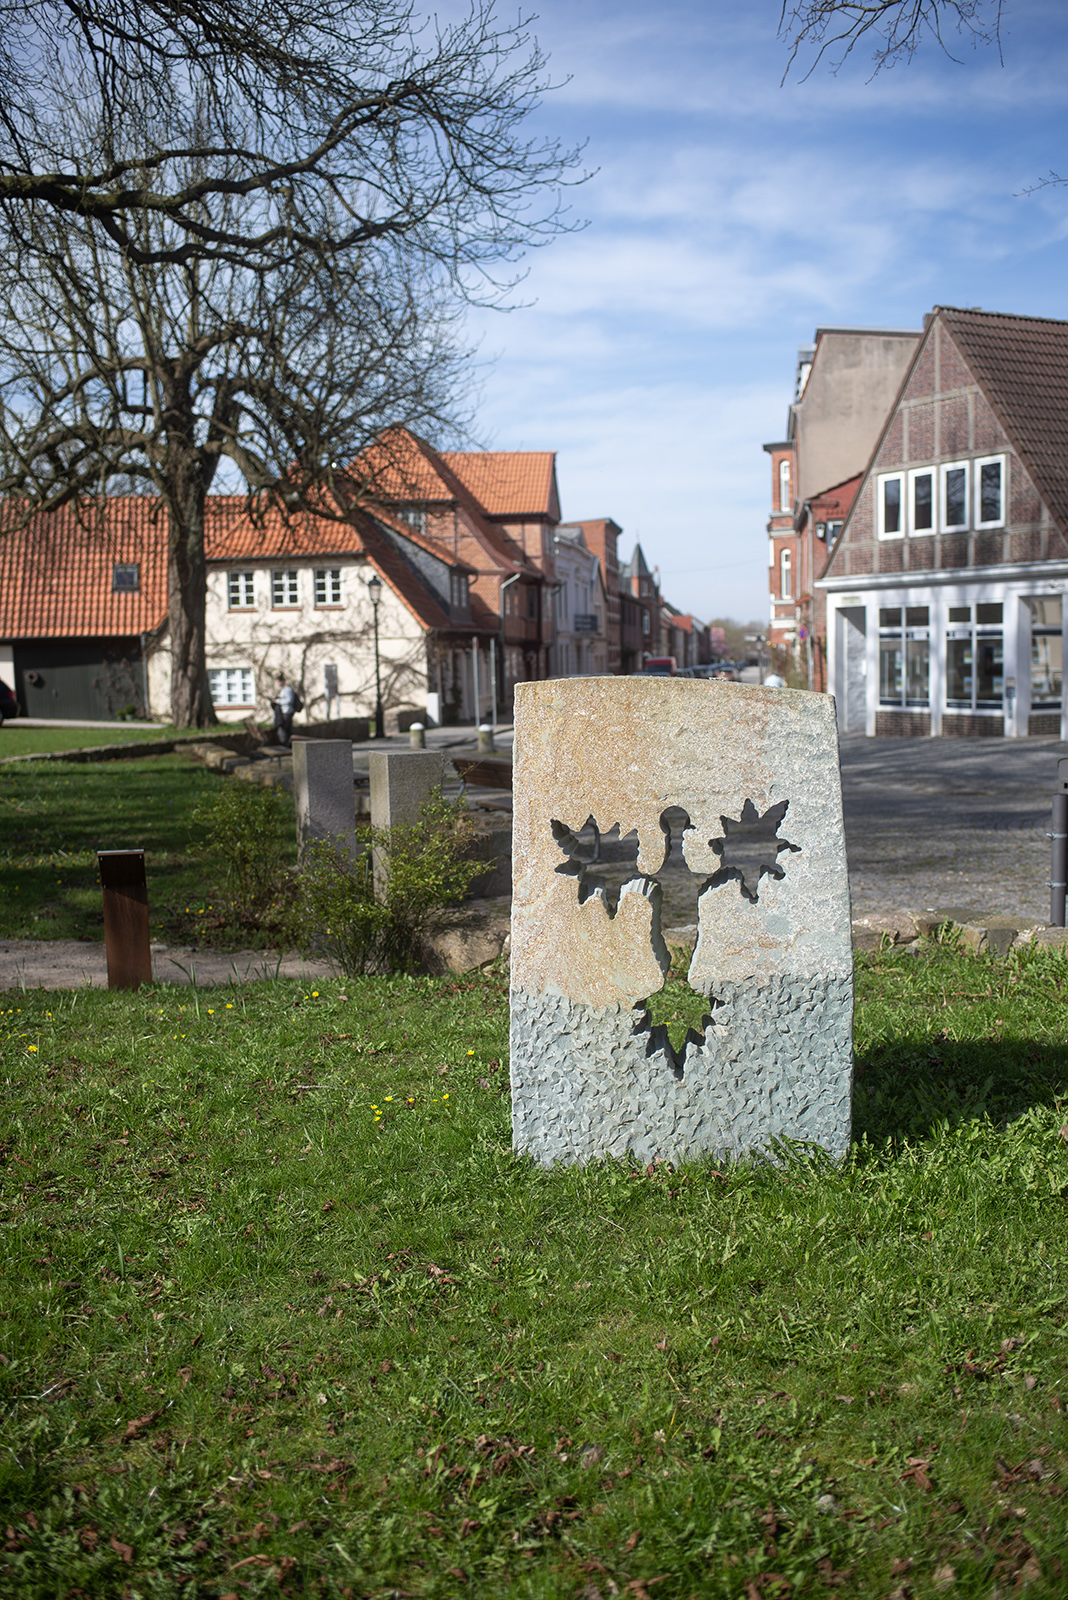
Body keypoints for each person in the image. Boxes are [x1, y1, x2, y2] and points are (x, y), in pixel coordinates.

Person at [270, 672, 301, 745]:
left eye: (278, 682)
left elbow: (289, 700)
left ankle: (286, 744)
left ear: (282, 681)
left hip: (287, 712)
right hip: (285, 711)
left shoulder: (287, 690)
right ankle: (288, 744)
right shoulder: (284, 690)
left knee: (284, 729)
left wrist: (277, 701)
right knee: (287, 729)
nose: (277, 684)